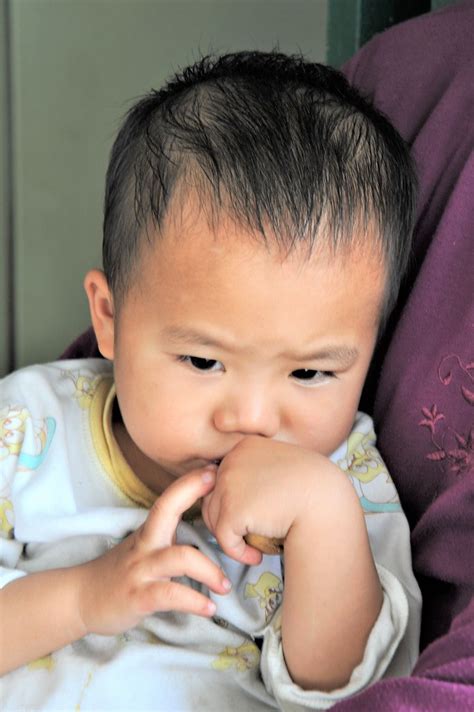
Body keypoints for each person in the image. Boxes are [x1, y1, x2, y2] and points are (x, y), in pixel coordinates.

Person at [0, 51, 421, 710]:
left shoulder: (343, 479)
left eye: (310, 372)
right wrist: (84, 597)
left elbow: (352, 688)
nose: (251, 416)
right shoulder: (25, 429)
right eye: (202, 362)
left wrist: (322, 519)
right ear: (109, 319)